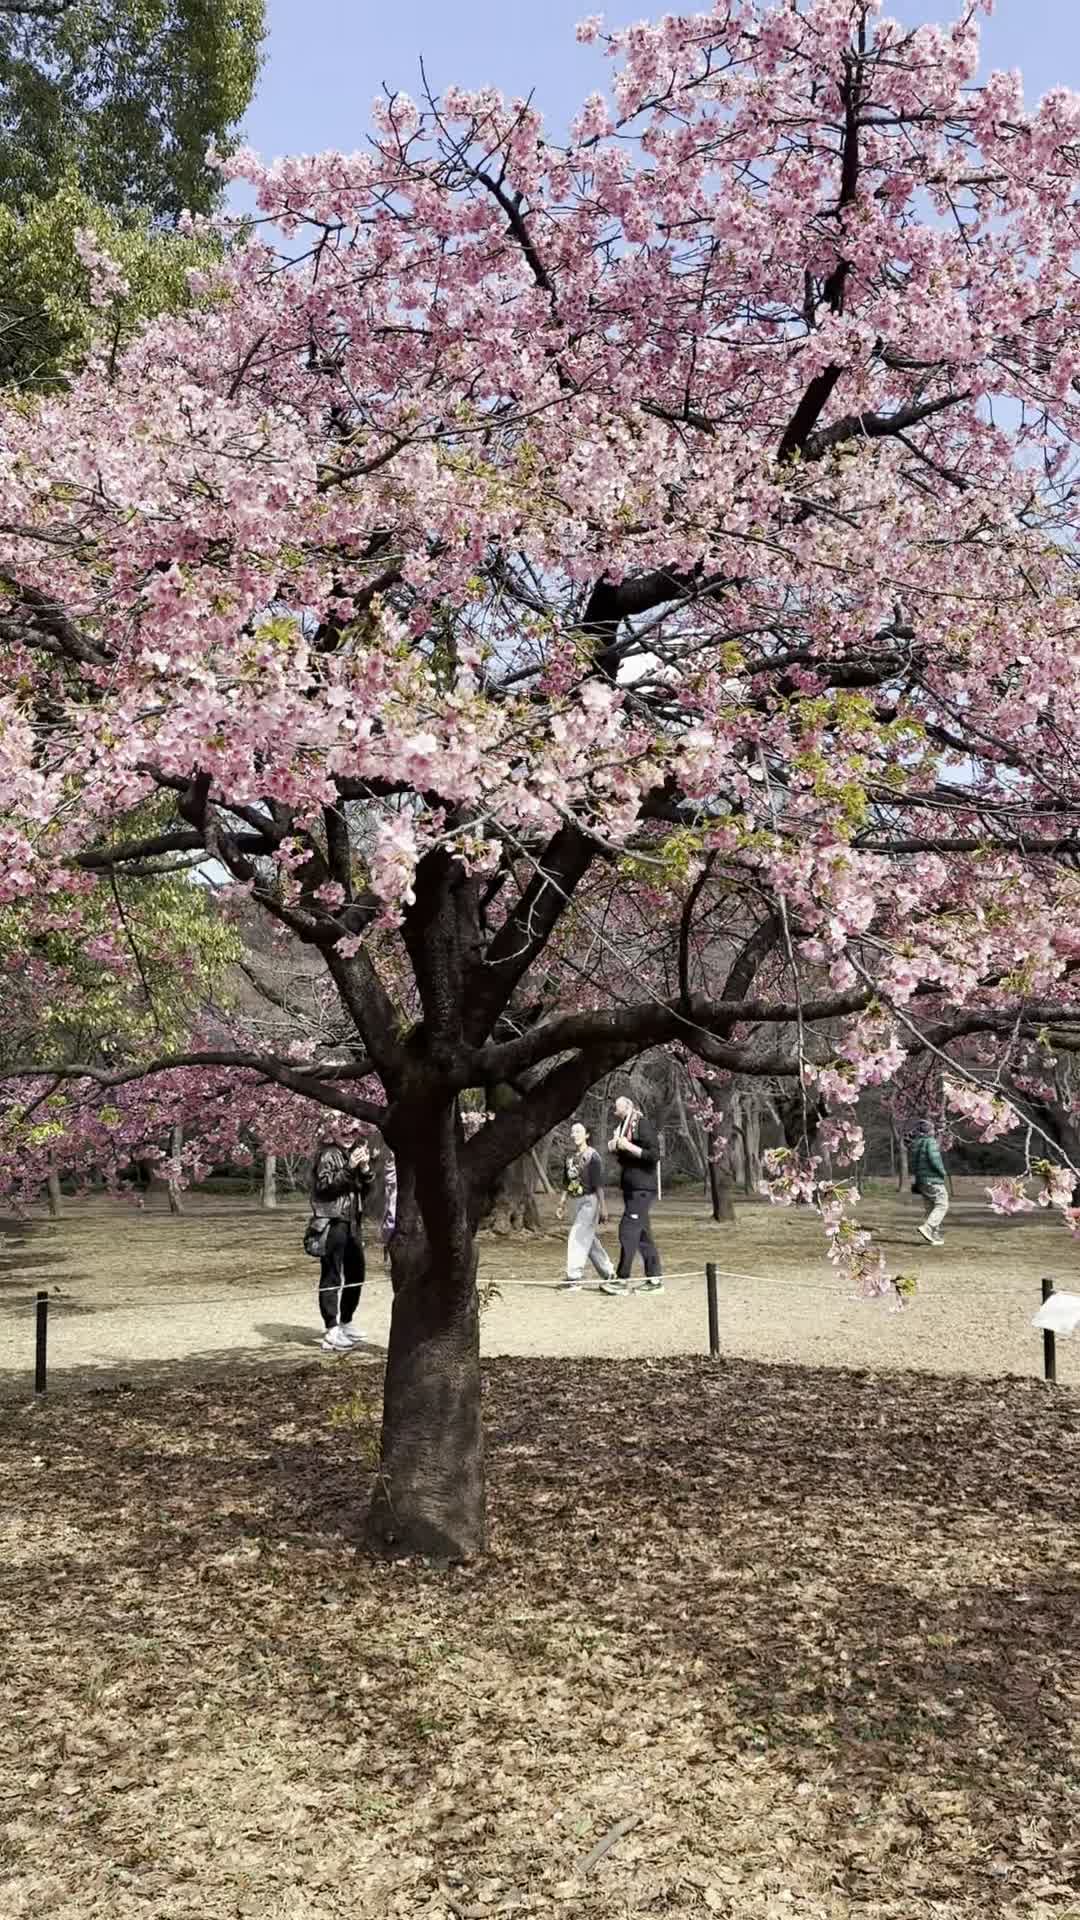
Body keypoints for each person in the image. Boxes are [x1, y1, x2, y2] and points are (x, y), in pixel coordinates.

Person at [311, 1137, 373, 1350]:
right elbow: (324, 1187)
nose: (349, 1134)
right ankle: (331, 1329)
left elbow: (366, 1192)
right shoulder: (329, 1154)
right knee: (332, 1275)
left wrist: (364, 1169)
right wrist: (349, 1167)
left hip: (353, 1222)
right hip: (333, 1221)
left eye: (353, 1130)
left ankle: (346, 1322)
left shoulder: (352, 1153)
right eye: (344, 1129)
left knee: (357, 1274)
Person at [601, 1095, 664, 1295]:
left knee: (627, 1230)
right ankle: (654, 1280)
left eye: (618, 1107)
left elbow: (654, 1155)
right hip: (631, 1188)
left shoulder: (641, 1124)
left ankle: (622, 1279)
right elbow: (627, 1159)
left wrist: (627, 1146)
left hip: (642, 1188)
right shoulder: (622, 1128)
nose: (615, 1110)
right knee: (643, 1235)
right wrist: (616, 1147)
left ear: (628, 1106)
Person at [556, 1123, 616, 1290]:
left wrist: (603, 1207)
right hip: (574, 1201)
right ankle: (609, 1272)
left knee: (577, 1235)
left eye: (578, 1131)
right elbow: (566, 1182)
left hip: (590, 1201)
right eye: (573, 1131)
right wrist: (562, 1203)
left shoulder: (593, 1156)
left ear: (587, 1135)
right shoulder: (569, 1157)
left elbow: (598, 1184)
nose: (574, 1134)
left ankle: (574, 1277)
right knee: (588, 1240)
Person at [907, 1118, 949, 1247]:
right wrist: (943, 1172)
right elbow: (934, 1159)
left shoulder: (915, 1143)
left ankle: (933, 1235)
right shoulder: (930, 1142)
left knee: (930, 1207)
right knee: (942, 1204)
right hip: (933, 1179)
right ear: (930, 1131)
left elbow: (913, 1164)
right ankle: (928, 1227)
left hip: (921, 1180)